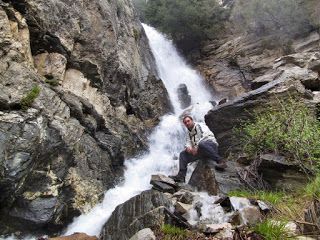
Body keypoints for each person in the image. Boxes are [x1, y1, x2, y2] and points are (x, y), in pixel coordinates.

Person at [169, 115, 227, 183]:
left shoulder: (200, 125)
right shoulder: (188, 132)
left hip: (210, 146)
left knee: (201, 144)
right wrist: (188, 147)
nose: (187, 123)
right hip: (201, 152)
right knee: (183, 154)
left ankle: (220, 161)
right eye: (185, 122)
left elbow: (205, 136)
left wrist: (196, 146)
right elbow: (188, 142)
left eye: (188, 121)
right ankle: (181, 176)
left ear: (192, 121)